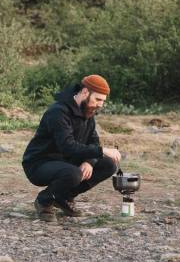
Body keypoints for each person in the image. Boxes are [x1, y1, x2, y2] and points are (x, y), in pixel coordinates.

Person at [22, 74, 122, 221]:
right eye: (98, 99)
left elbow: (93, 141)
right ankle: (44, 200)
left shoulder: (88, 111)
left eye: (103, 101)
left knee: (109, 165)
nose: (100, 104)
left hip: (65, 162)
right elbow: (67, 146)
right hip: (39, 163)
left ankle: (62, 197)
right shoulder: (58, 112)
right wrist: (102, 150)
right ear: (85, 92)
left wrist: (89, 161)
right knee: (74, 173)